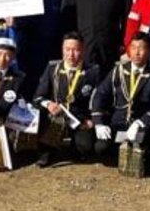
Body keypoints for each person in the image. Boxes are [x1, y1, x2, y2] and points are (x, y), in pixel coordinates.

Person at [90, 32, 150, 176]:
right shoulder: (118, 71)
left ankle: (147, 158)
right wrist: (98, 122)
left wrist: (140, 122)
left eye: (141, 48)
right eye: (133, 48)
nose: (137, 53)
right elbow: (100, 94)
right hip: (119, 123)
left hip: (142, 127)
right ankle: (127, 157)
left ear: (149, 51)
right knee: (101, 148)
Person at [32, 32, 101, 167]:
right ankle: (47, 151)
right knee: (45, 118)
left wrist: (92, 119)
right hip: (57, 117)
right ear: (62, 50)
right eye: (67, 49)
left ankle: (75, 148)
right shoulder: (52, 68)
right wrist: (49, 104)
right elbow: (38, 97)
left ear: (83, 50)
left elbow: (99, 99)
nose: (71, 54)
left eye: (75, 50)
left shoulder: (93, 71)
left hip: (80, 119)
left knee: (85, 147)